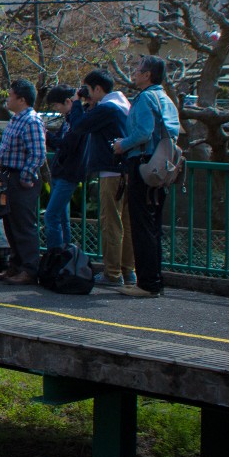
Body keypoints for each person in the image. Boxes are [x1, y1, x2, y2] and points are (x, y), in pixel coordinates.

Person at [114, 54, 181, 298]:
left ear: (147, 75)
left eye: (138, 69)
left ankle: (147, 284)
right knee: (153, 225)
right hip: (162, 166)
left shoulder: (144, 98)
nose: (134, 72)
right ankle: (153, 280)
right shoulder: (166, 99)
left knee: (141, 224)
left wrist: (122, 145)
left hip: (143, 165)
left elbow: (143, 132)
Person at [76, 70, 134, 288]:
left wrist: (76, 103)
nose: (87, 95)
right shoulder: (123, 105)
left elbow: (80, 125)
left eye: (88, 90)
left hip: (111, 173)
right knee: (127, 224)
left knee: (111, 223)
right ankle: (129, 272)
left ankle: (112, 273)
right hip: (128, 171)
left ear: (98, 89)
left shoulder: (107, 108)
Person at [0, 80, 47, 283]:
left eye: (10, 95)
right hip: (9, 176)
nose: (7, 99)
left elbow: (38, 153)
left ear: (21, 99)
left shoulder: (31, 121)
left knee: (24, 225)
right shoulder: (17, 119)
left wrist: (25, 176)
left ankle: (30, 269)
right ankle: (15, 266)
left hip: (20, 179)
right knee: (11, 223)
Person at [44, 86, 88, 252]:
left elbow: (66, 146)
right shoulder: (69, 120)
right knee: (62, 218)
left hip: (68, 174)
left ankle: (56, 256)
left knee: (51, 216)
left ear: (68, 102)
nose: (57, 110)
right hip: (62, 173)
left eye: (57, 105)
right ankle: (65, 255)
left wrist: (46, 135)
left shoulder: (77, 121)